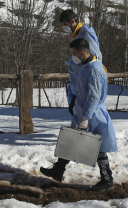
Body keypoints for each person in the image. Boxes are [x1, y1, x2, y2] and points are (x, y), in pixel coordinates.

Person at [40, 38, 118, 191]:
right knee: (70, 139)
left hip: (93, 114)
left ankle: (107, 179)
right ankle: (58, 169)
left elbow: (94, 97)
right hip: (83, 112)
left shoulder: (94, 69)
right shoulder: (87, 65)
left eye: (74, 53)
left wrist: (86, 117)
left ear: (82, 53)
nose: (73, 56)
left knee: (98, 147)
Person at [59, 9, 103, 119]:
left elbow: (95, 56)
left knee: (87, 114)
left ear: (72, 21)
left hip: (84, 80)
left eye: (65, 24)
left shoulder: (86, 33)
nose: (64, 27)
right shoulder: (75, 35)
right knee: (76, 113)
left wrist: (87, 77)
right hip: (76, 82)